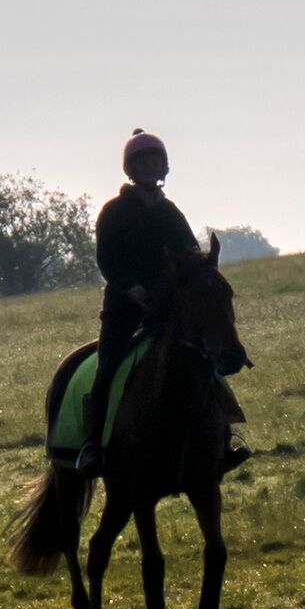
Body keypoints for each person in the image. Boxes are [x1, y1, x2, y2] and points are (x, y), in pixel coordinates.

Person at [76, 131, 198, 474]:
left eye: (155, 161)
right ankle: (91, 446)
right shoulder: (114, 212)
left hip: (168, 306)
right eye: (142, 162)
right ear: (131, 169)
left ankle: (224, 435)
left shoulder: (171, 213)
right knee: (108, 367)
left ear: (164, 166)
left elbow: (188, 252)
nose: (149, 167)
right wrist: (132, 289)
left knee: (204, 358)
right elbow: (107, 260)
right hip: (125, 308)